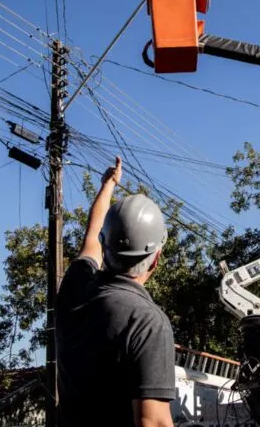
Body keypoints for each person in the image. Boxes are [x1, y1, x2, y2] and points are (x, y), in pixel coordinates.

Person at [56, 156, 175, 427]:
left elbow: (93, 236)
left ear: (105, 245)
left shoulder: (75, 290)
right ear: (156, 258)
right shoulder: (146, 322)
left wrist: (107, 185)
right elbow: (153, 422)